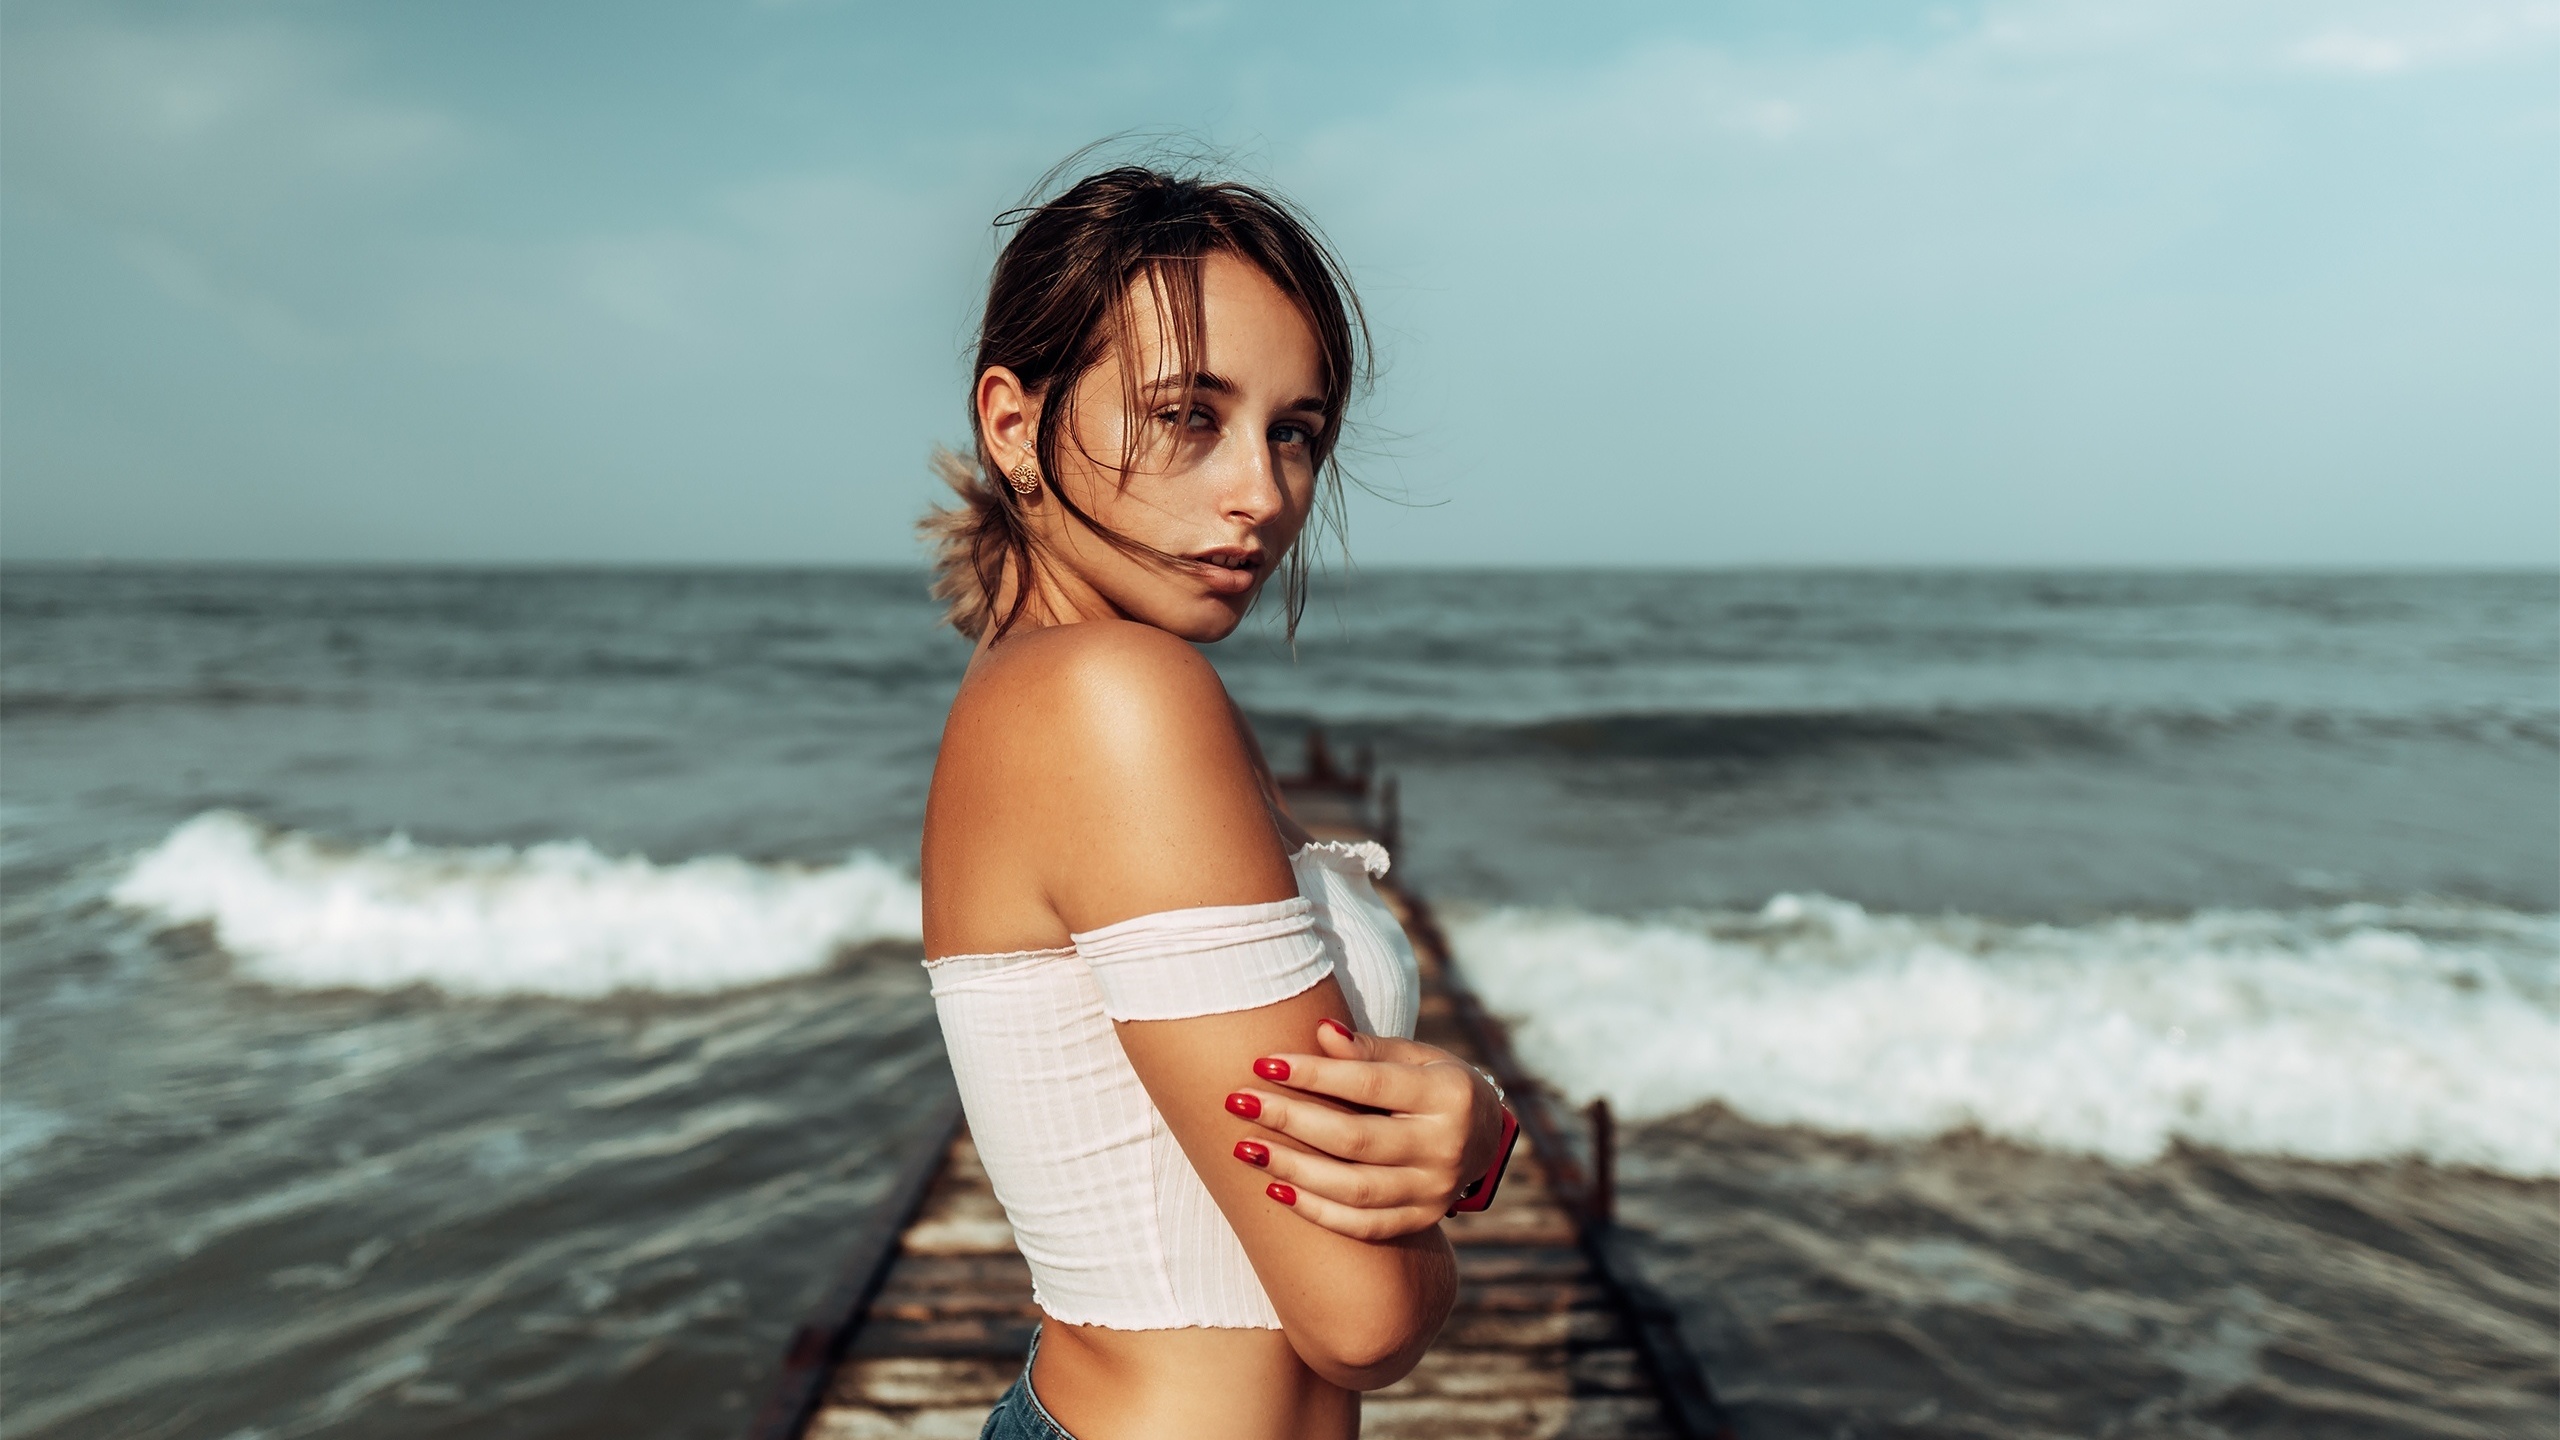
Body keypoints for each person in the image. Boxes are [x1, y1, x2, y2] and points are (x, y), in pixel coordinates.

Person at [918, 164, 1514, 1440]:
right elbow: (1362, 1321)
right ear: (1014, 423)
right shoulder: (1114, 696)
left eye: (1291, 431)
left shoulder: (1067, 684)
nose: (1260, 492)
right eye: (1189, 416)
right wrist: (1472, 1153)